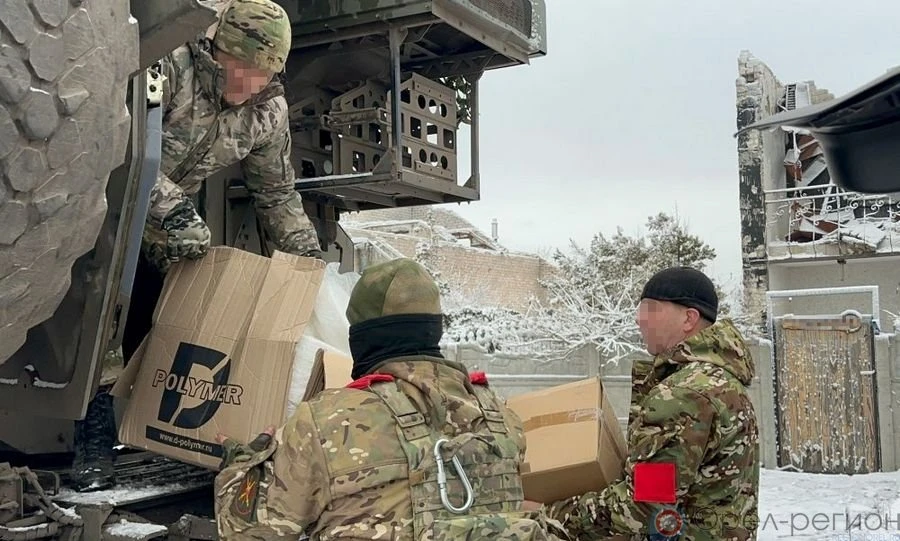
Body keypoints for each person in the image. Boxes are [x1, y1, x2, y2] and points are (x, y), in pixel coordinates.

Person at [70, 0, 321, 492]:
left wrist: (306, 262)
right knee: (104, 314)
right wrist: (174, 210)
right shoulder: (170, 65)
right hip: (111, 201)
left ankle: (164, 425)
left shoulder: (266, 110)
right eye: (241, 68)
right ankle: (92, 434)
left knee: (182, 300)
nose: (248, 83)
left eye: (262, 73)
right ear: (218, 50)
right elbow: (119, 144)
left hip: (168, 220)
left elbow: (275, 192)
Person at [213, 258, 567, 540]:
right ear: (433, 329)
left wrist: (240, 466)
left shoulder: (325, 421)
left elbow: (251, 531)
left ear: (363, 338)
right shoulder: (498, 415)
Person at [544, 267, 760, 540]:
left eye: (651, 308)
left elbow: (642, 506)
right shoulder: (722, 380)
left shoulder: (684, 394)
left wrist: (548, 512)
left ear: (689, 318)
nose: (639, 319)